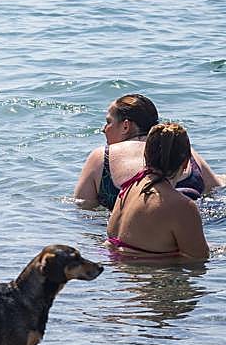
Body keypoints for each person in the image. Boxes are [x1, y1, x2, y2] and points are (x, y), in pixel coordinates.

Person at [74, 94, 220, 211]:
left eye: (109, 122)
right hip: (195, 224)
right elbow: (215, 187)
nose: (104, 128)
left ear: (126, 126)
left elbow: (83, 205)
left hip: (130, 237)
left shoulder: (101, 157)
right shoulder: (180, 149)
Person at [107, 123, 209, 262]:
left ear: (145, 155)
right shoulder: (183, 206)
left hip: (117, 273)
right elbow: (199, 260)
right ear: (186, 163)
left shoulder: (129, 187)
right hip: (152, 276)